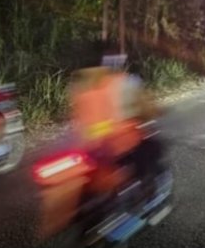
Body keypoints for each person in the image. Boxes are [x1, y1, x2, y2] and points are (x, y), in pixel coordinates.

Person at [69, 52, 164, 187]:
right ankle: (144, 182)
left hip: (86, 144)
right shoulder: (122, 82)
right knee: (151, 149)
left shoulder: (79, 88)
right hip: (115, 141)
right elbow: (142, 108)